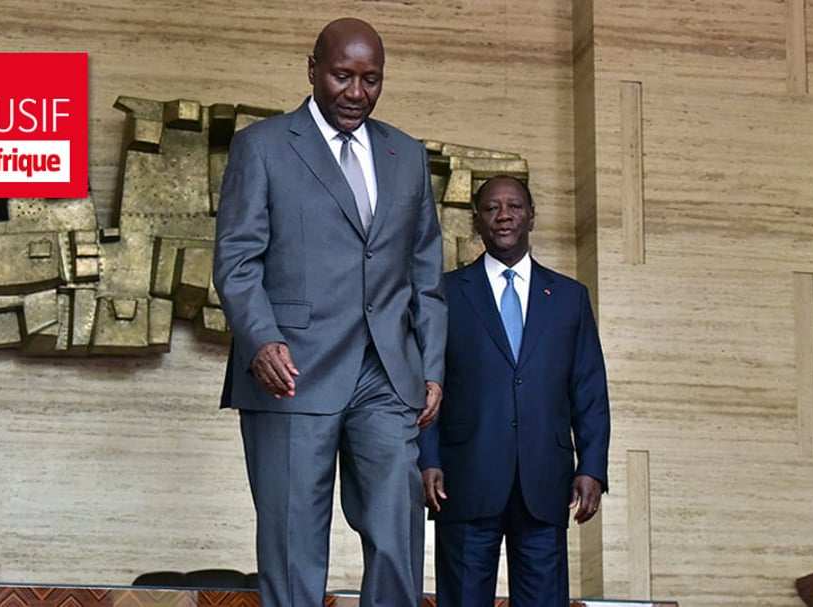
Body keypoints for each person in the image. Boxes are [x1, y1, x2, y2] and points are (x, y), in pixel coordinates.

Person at [212, 17, 446, 607]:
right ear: (312, 70)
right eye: (343, 75)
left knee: (399, 530)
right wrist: (261, 339)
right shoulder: (262, 146)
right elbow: (237, 259)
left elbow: (426, 275)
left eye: (371, 79)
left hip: (384, 373)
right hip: (292, 371)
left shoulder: (406, 154)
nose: (356, 92)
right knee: (294, 548)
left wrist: (432, 366)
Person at [418, 175, 610, 606]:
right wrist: (426, 457)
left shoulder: (569, 297)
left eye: (514, 207)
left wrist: (592, 466)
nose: (503, 215)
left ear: (531, 218)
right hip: (464, 478)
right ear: (477, 221)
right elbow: (427, 383)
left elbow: (589, 389)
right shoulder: (445, 294)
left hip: (545, 482)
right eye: (491, 208)